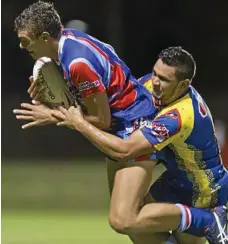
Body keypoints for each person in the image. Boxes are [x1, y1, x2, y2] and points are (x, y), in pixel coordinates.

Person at [13, 1, 170, 243]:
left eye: (25, 41)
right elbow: (83, 103)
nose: (22, 46)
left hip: (135, 125)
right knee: (133, 225)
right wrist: (51, 98)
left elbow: (100, 119)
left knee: (123, 218)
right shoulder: (65, 44)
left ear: (45, 37)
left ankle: (203, 220)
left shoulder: (77, 64)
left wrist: (51, 114)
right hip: (123, 126)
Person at [51, 47, 228, 244]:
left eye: (164, 79)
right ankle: (204, 221)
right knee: (133, 224)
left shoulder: (179, 115)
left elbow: (125, 149)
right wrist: (54, 101)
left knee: (127, 219)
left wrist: (80, 124)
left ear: (183, 84)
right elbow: (111, 104)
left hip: (202, 191)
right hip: (174, 180)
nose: (155, 82)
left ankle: (208, 220)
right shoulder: (149, 86)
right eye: (155, 73)